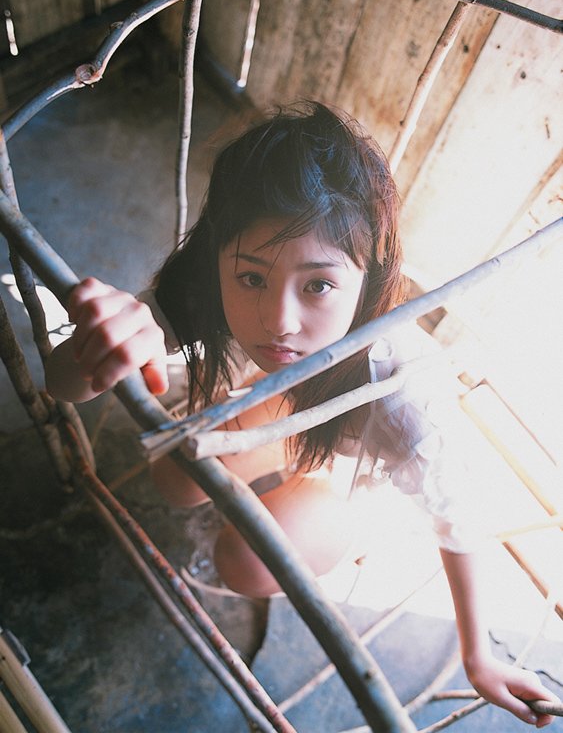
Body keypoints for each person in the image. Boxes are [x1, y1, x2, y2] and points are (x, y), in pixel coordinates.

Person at [46, 101, 559, 727]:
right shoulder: (213, 290)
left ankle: (318, 512)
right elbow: (62, 385)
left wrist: (478, 655)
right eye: (252, 278)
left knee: (243, 561)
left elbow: (459, 518)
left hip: (350, 478)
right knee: (175, 477)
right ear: (220, 258)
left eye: (318, 284)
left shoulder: (402, 399)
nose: (278, 321)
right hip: (285, 399)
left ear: (368, 279)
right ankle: (275, 453)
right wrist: (97, 346)